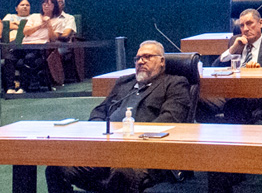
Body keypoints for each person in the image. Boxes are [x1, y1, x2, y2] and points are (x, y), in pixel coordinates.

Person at [45, 41, 191, 193]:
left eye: (147, 57)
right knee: (56, 168)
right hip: (105, 150)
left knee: (121, 173)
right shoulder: (124, 82)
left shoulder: (175, 83)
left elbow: (171, 119)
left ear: (162, 61)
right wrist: (98, 130)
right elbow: (100, 111)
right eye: (138, 58)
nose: (141, 61)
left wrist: (132, 138)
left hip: (143, 154)